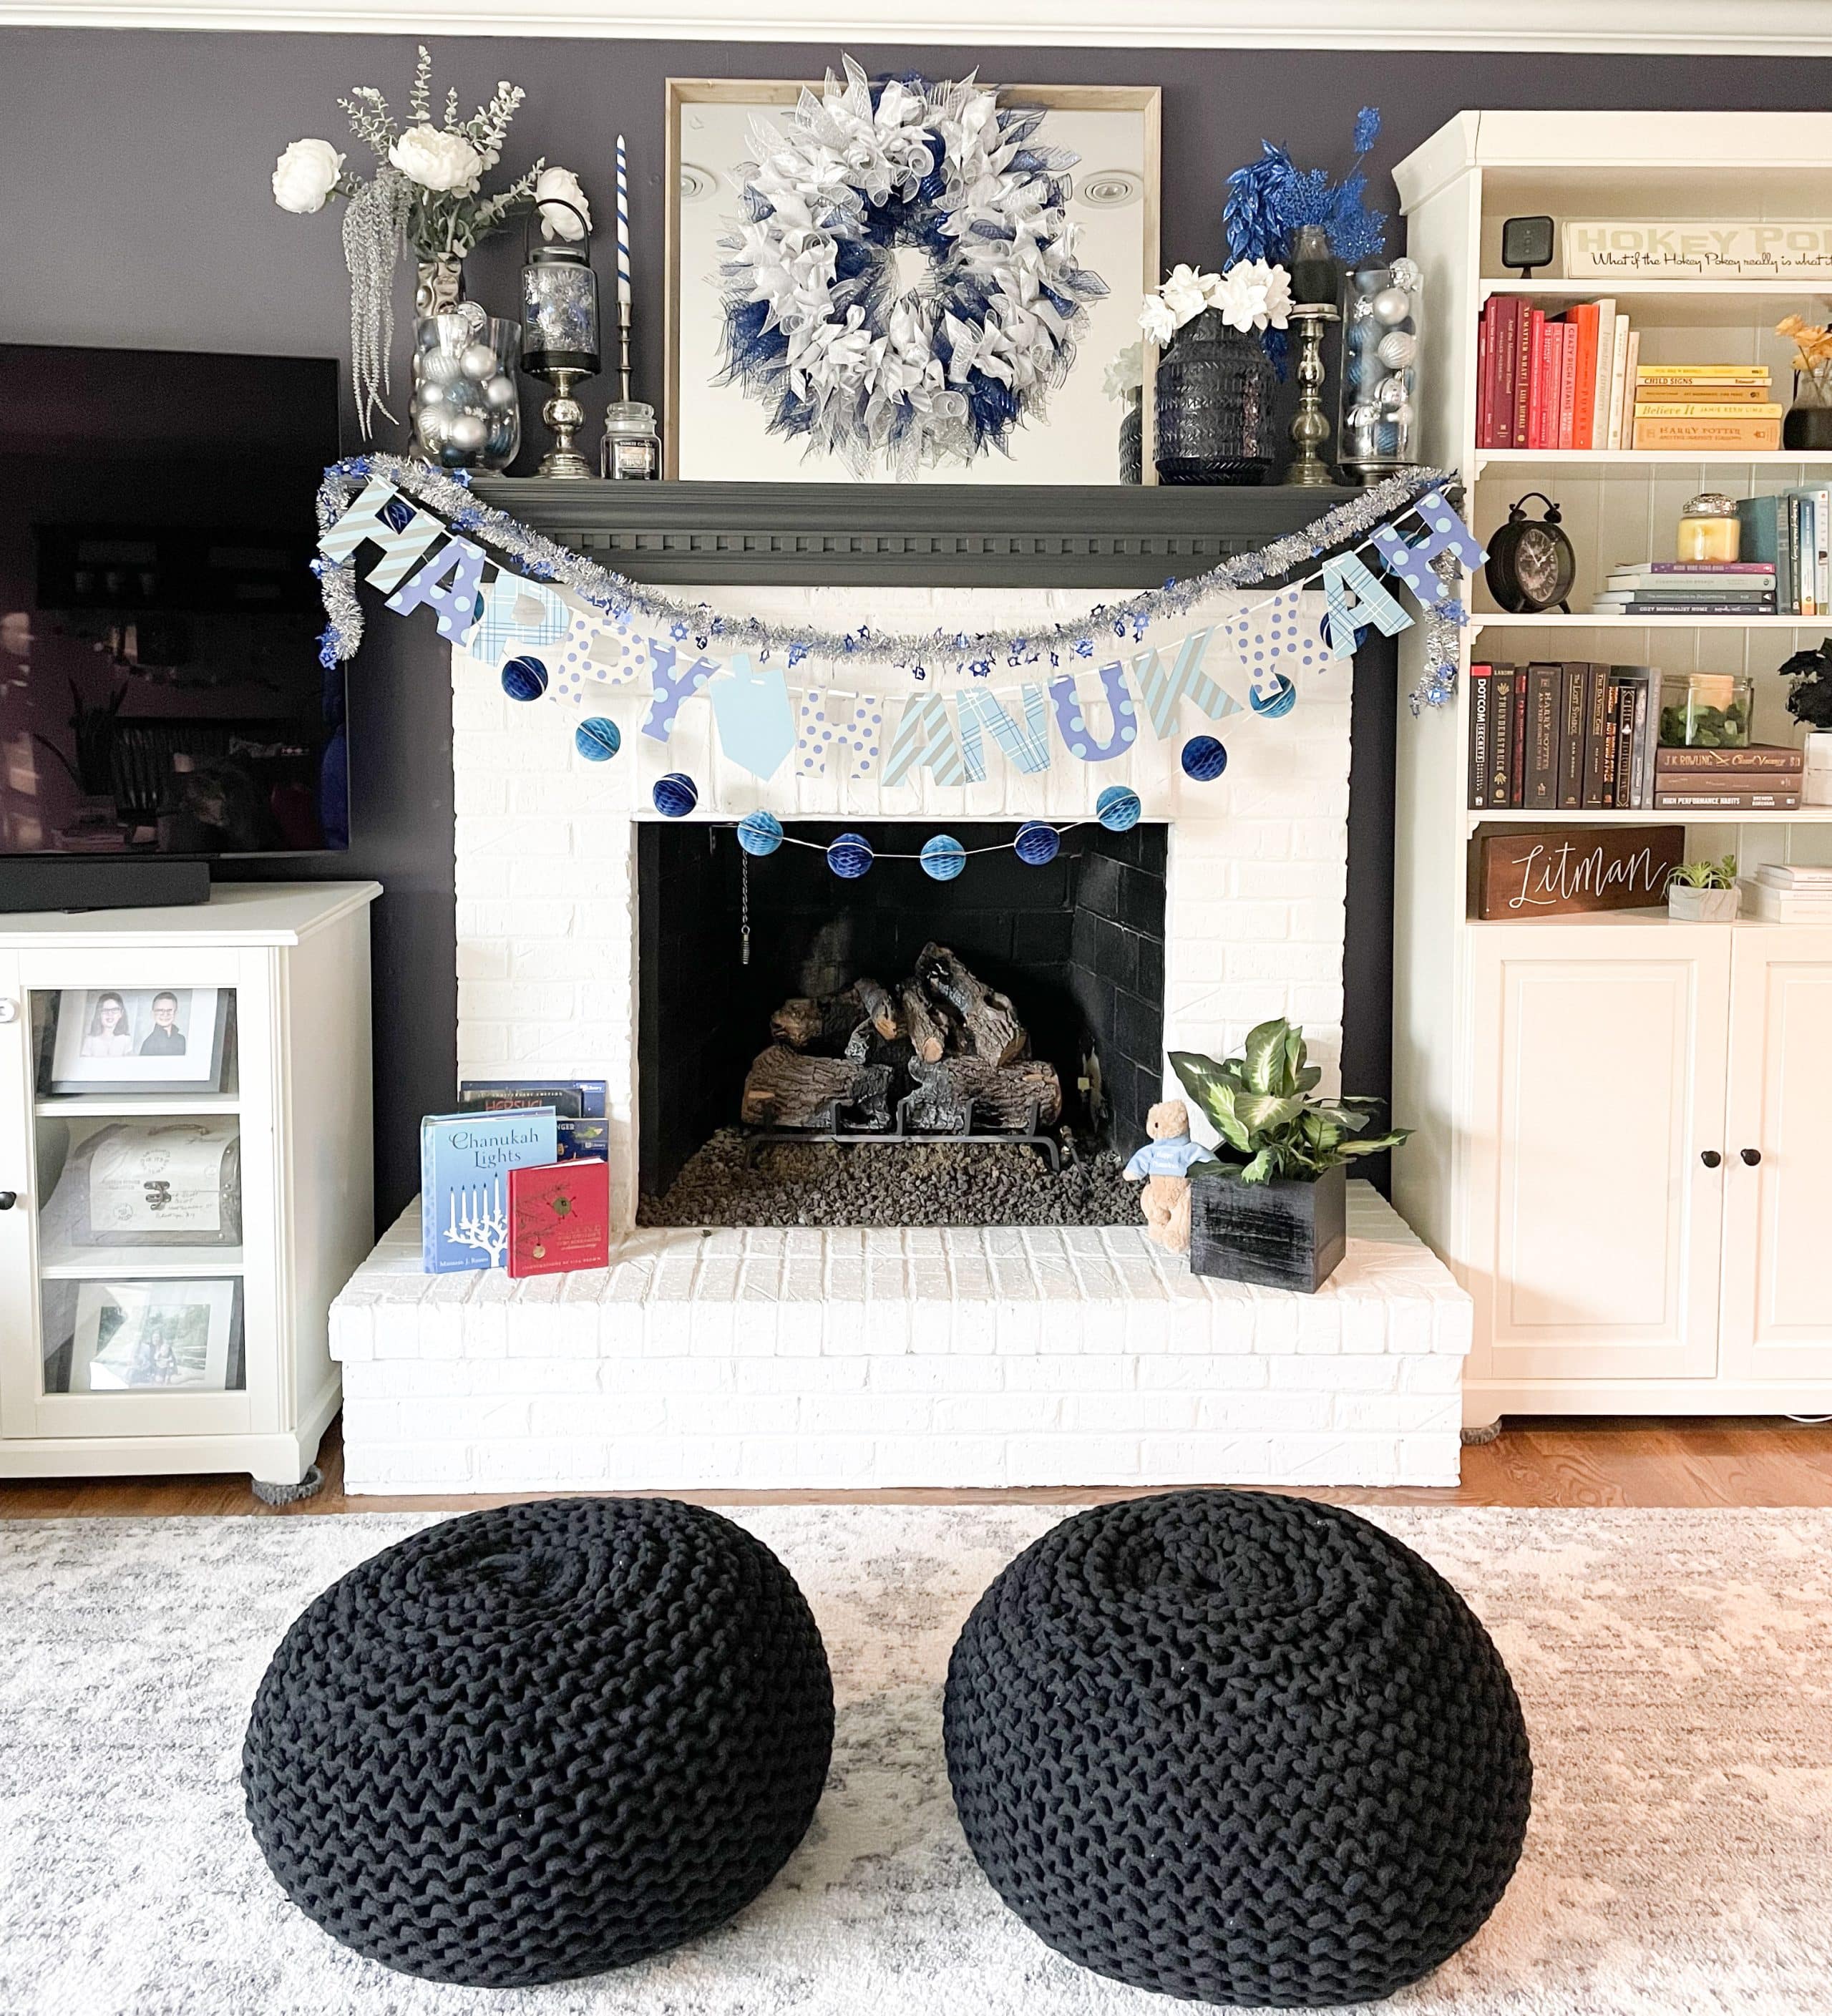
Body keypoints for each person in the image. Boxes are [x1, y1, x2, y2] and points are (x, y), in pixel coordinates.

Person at [80, 993, 133, 1058]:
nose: (110, 1014)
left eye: (114, 1010)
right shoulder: (90, 1040)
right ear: (99, 1014)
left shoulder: (126, 1040)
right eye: (105, 1010)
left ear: (121, 1013)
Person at [139, 991, 187, 1057]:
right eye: (160, 1011)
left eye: (169, 1010)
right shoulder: (149, 1044)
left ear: (176, 1013)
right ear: (152, 1014)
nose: (165, 1014)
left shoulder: (181, 1040)